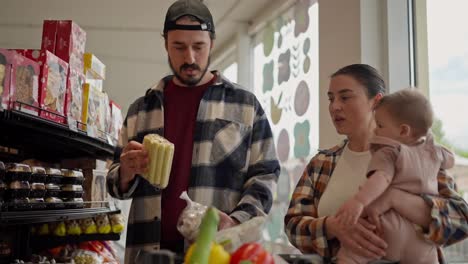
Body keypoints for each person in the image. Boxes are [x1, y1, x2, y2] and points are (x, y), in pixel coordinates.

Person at [106, 0, 280, 263]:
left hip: (216, 252)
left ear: (211, 42)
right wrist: (126, 172)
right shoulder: (141, 110)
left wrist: (236, 221)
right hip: (148, 251)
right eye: (179, 47)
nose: (190, 58)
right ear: (165, 44)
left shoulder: (246, 106)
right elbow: (113, 184)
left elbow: (266, 174)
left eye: (198, 47)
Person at [284, 64, 468, 263]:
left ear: (376, 102)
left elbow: (461, 222)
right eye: (331, 99)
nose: (334, 106)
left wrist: (395, 198)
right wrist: (332, 227)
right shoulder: (321, 163)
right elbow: (293, 226)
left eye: (345, 97)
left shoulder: (419, 157)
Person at [335, 89, 454, 263]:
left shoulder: (389, 151)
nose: (375, 130)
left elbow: (382, 177)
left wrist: (359, 201)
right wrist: (429, 141)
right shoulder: (435, 152)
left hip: (386, 230)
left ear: (404, 131)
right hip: (421, 240)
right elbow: (450, 160)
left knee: (349, 255)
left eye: (380, 125)